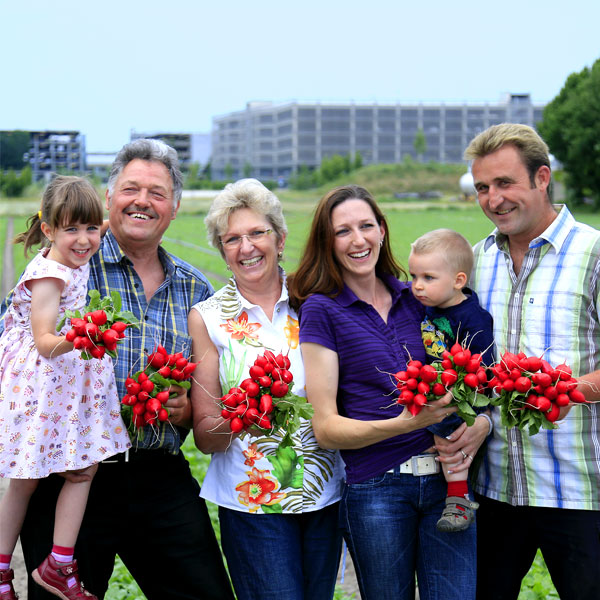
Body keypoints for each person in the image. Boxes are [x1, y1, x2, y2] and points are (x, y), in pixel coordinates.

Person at [6, 140, 234, 599]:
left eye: (157, 192)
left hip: (158, 475)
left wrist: (184, 407)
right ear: (109, 199)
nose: (142, 201)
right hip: (71, 473)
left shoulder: (196, 288)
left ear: (174, 208)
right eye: (131, 188)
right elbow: (16, 348)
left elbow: (202, 402)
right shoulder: (69, 263)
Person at [289, 184, 488, 600]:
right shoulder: (323, 310)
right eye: (343, 231)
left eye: (366, 225)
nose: (358, 239)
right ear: (328, 241)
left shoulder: (417, 296)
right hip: (377, 488)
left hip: (447, 485)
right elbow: (326, 428)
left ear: (382, 230)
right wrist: (403, 424)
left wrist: (482, 420)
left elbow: (469, 369)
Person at [189, 178, 345, 600]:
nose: (246, 247)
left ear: (279, 238)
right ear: (222, 251)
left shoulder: (315, 300)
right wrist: (246, 412)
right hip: (252, 503)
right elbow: (205, 436)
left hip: (325, 493)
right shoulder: (209, 318)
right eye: (232, 239)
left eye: (257, 233)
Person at [464, 123, 600, 600]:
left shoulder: (594, 253)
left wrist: (568, 391)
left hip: (583, 491)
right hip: (496, 489)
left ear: (542, 178)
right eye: (482, 187)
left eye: (505, 183)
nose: (492, 199)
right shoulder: (476, 262)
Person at [0, 176, 130, 600]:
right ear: (49, 229)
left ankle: (17, 568)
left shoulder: (73, 253)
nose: (85, 239)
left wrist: (113, 218)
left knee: (43, 476)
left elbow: (95, 226)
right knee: (58, 474)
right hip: (44, 380)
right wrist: (89, 335)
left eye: (91, 229)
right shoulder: (52, 275)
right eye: (72, 229)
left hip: (59, 380)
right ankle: (52, 563)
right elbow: (43, 341)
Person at [408, 228, 495, 532]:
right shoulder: (429, 304)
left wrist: (459, 391)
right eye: (413, 276)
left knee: (450, 434)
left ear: (459, 280)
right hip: (435, 386)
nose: (417, 286)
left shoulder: (473, 317)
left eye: (428, 278)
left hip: (462, 394)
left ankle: (458, 500)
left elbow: (485, 366)